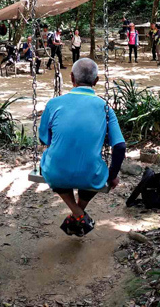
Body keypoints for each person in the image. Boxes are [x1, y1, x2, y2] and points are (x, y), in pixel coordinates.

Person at [39, 58, 126, 236]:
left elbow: (43, 140)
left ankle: (77, 214)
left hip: (56, 172)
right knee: (94, 171)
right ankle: (79, 213)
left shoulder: (53, 104)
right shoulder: (105, 108)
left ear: (71, 77)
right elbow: (120, 146)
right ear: (96, 81)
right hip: (90, 175)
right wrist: (113, 176)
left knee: (54, 163)